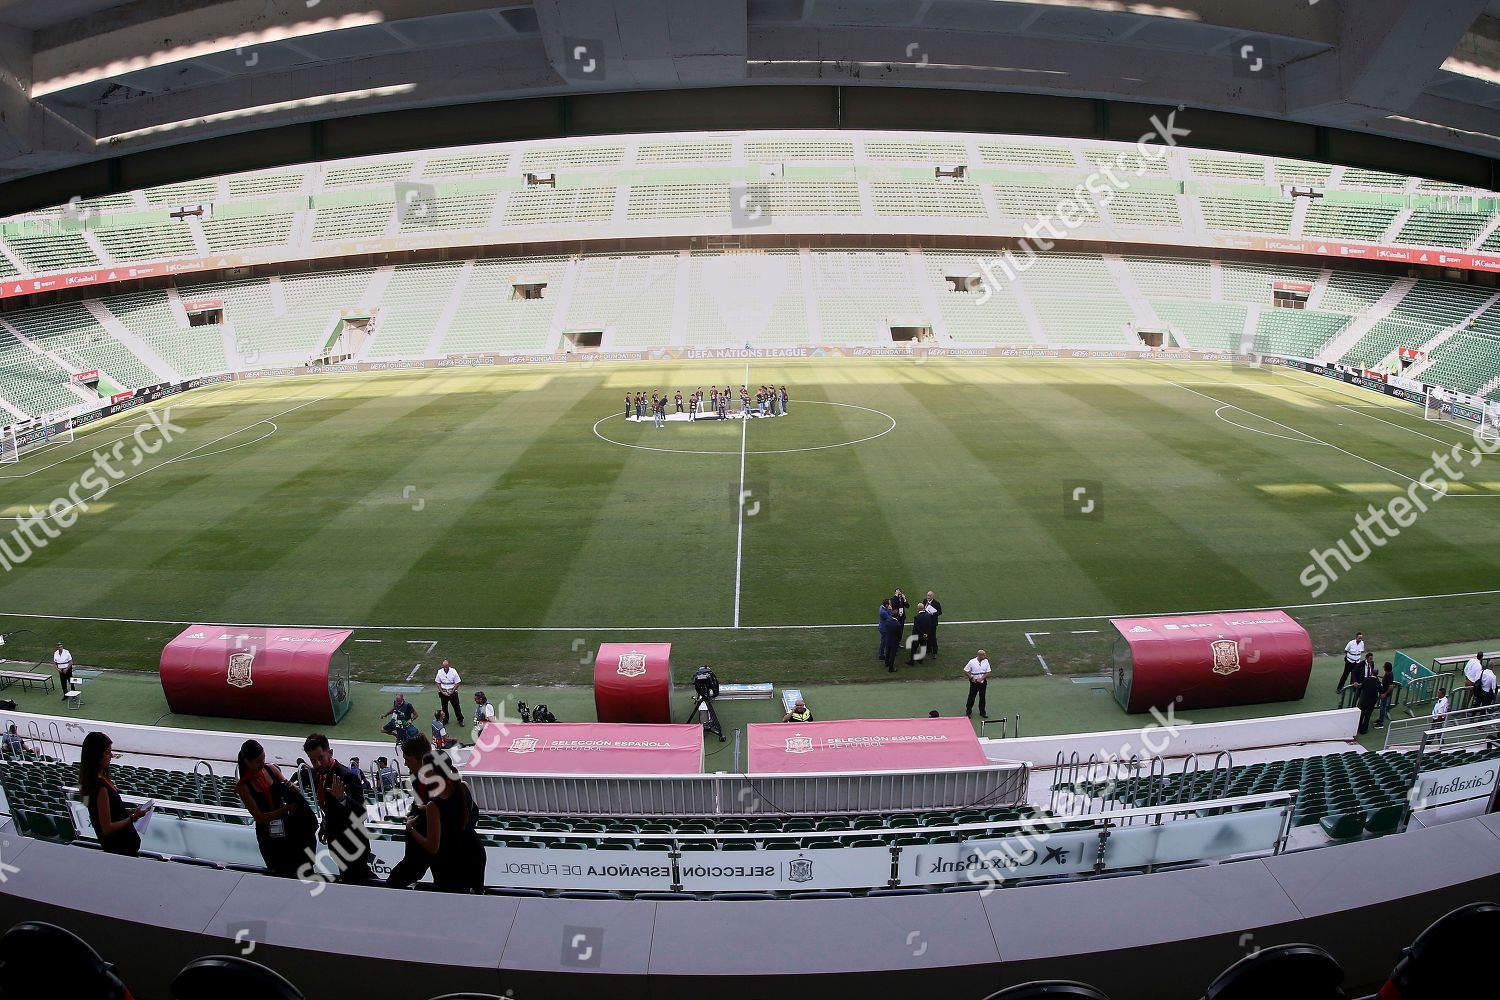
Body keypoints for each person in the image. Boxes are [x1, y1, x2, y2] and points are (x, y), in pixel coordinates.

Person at [234, 739, 316, 877]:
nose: (262, 764)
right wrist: (285, 809)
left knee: (303, 867)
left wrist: (290, 787)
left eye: (263, 759)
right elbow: (259, 818)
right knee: (280, 872)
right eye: (258, 762)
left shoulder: (271, 769)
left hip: (288, 830)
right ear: (247, 761)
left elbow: (289, 786)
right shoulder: (243, 787)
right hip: (269, 837)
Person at [407, 751, 486, 893]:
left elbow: (432, 847)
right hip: (474, 852)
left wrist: (410, 828)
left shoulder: (434, 806)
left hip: (450, 862)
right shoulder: (463, 786)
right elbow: (457, 808)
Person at [303, 732, 373, 884]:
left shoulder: (347, 776)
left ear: (330, 753)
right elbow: (329, 809)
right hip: (336, 845)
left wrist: (343, 798)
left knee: (359, 883)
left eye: (320, 758)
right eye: (313, 760)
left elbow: (362, 813)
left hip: (354, 847)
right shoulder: (317, 776)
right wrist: (325, 825)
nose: (317, 764)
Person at [79, 731, 143, 856]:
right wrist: (133, 818)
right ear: (97, 756)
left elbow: (109, 811)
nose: (111, 756)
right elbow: (107, 828)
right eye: (107, 753)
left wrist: (129, 811)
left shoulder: (95, 779)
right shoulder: (100, 787)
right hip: (121, 851)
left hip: (121, 849)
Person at [386, 734, 435, 889]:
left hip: (432, 844)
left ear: (421, 758)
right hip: (420, 844)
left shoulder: (439, 782)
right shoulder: (416, 778)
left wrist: (414, 824)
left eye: (408, 759)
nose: (405, 763)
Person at [434, 660, 464, 726]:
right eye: (444, 667)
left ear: (448, 666)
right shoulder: (440, 672)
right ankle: (445, 720)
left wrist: (452, 691)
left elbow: (458, 682)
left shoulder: (453, 671)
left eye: (446, 667)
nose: (445, 668)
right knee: (444, 708)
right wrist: (442, 692)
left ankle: (460, 720)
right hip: (443, 693)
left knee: (456, 707)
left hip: (452, 692)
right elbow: (437, 682)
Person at [964, 650, 991, 718]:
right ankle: (968, 711)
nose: (985, 656)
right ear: (979, 655)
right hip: (974, 682)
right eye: (983, 655)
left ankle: (982, 712)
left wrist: (981, 679)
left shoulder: (986, 661)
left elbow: (988, 672)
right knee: (972, 697)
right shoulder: (972, 662)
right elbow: (966, 670)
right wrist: (971, 677)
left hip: (982, 682)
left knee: (982, 697)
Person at [1356, 667, 1382, 735]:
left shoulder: (1366, 679)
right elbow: (1380, 690)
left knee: (1362, 714)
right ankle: (1363, 730)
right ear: (1377, 674)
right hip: (1371, 701)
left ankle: (1358, 727)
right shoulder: (1378, 682)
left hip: (1364, 699)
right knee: (1367, 716)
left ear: (1371, 673)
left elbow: (1362, 687)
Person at [880, 600, 900, 674]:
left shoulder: (888, 622)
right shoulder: (898, 624)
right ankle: (891, 668)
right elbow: (899, 634)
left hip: (888, 640)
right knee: (892, 654)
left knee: (888, 652)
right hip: (894, 641)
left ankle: (886, 663)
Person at [1377, 663, 1397, 729]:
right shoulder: (1387, 674)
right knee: (1382, 707)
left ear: (1386, 668)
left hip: (1385, 695)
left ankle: (1381, 723)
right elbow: (1385, 678)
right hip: (1384, 693)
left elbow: (1391, 687)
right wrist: (1379, 676)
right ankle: (1380, 720)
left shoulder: (1389, 675)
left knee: (1382, 708)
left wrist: (1384, 694)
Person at [890, 588, 909, 656]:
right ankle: (894, 644)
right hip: (896, 618)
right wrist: (896, 597)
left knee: (901, 631)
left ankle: (898, 643)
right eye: (897, 593)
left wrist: (905, 599)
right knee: (895, 632)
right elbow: (893, 605)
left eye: (900, 592)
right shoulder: (893, 599)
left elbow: (907, 606)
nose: (899, 594)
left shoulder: (903, 598)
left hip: (902, 617)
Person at [925, 591, 943, 658]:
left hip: (933, 623)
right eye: (928, 595)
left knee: (933, 637)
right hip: (926, 622)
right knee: (927, 636)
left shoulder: (936, 603)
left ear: (933, 596)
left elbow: (940, 612)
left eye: (930, 596)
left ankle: (935, 652)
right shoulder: (925, 601)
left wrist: (933, 614)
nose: (928, 597)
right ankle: (928, 649)